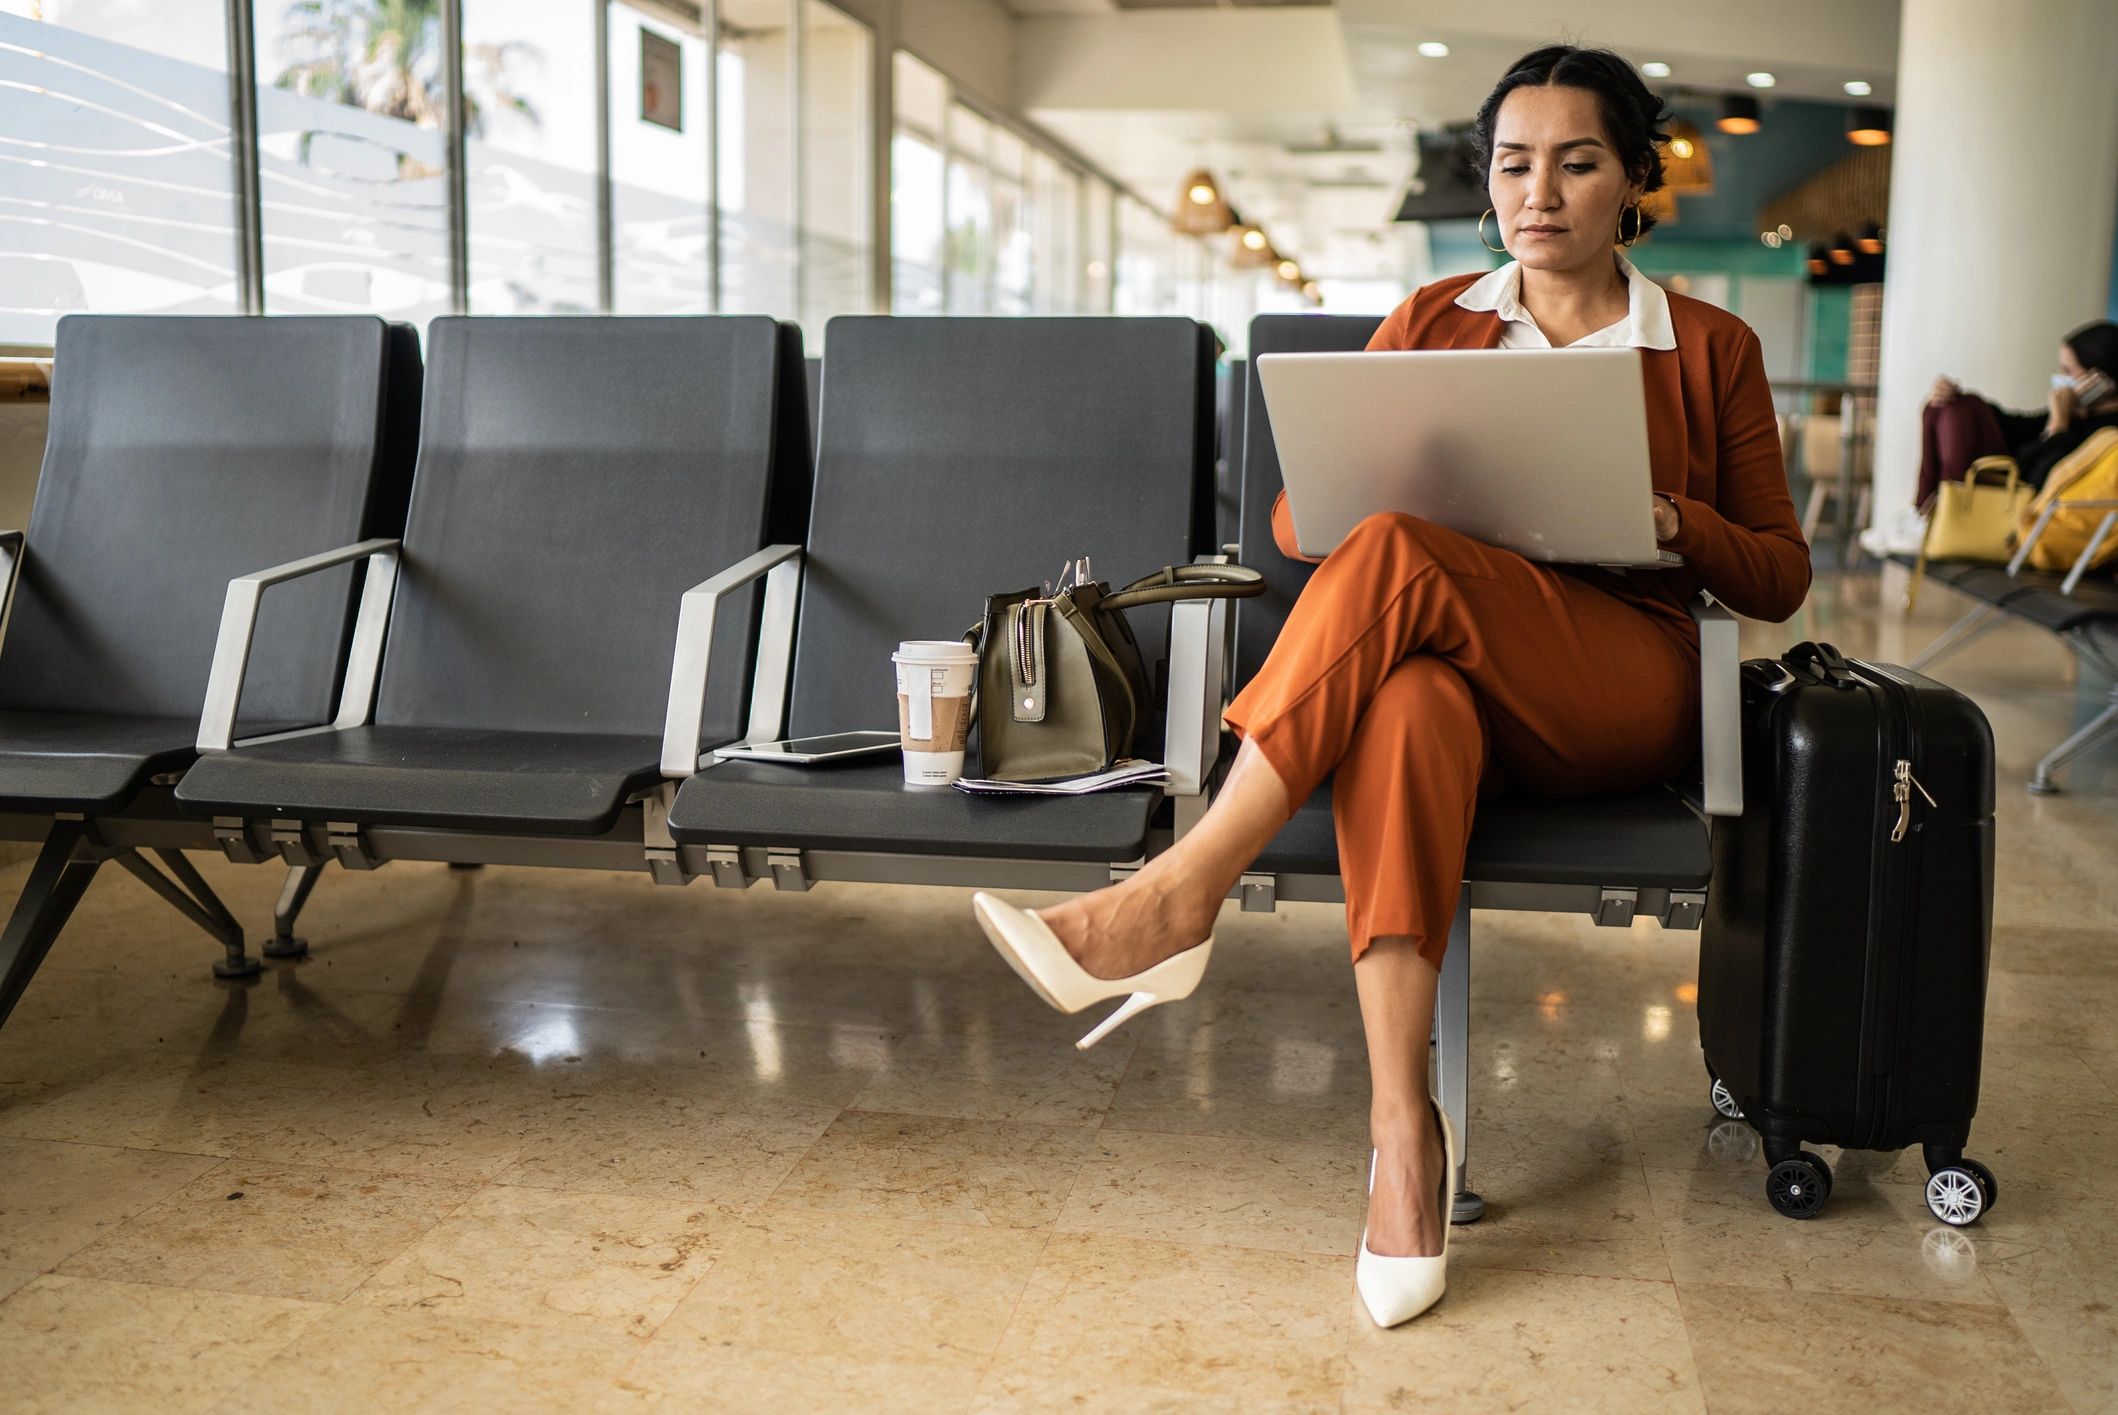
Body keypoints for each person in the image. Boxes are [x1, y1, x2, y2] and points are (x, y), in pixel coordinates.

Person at [970, 45, 1809, 1327]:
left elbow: (1780, 574)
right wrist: (1396, 482)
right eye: (1514, 163)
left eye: (1577, 161)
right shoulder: (1434, 316)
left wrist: (1666, 516)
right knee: (1406, 694)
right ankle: (1402, 1137)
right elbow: (1310, 519)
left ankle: (1183, 891)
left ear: (1632, 177)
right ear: (1488, 180)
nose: (1541, 192)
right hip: (1451, 660)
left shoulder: (1708, 345)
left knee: (1403, 559)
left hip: (1619, 678)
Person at [1865, 321, 2118, 556]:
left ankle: (1937, 517)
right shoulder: (2078, 414)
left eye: (2067, 371)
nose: (2060, 380)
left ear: (2100, 381)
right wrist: (1954, 394)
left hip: (2024, 512)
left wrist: (2059, 425)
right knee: (1952, 406)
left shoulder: (2108, 433)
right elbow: (2017, 426)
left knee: (1963, 410)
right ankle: (1923, 514)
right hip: (2006, 490)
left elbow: (2047, 480)